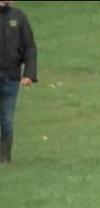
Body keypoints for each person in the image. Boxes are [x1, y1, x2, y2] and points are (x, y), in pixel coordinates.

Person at [0, 0, 37, 164]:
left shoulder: (19, 17)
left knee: (7, 120)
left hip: (11, 77)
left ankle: (4, 158)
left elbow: (30, 47)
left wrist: (29, 73)